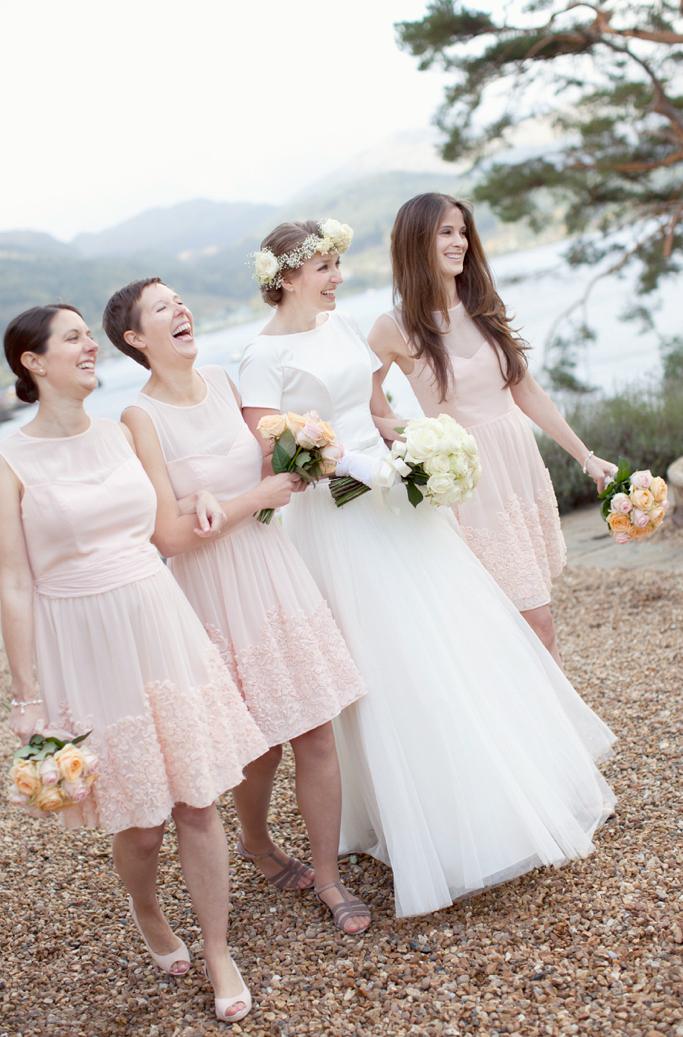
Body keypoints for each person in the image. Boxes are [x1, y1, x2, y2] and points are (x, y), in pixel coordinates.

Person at [238, 219, 616, 919]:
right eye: (324, 266)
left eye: (337, 263)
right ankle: (416, 817)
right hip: (337, 518)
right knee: (388, 657)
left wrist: (413, 447)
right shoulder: (258, 357)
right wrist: (352, 464)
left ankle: (497, 794)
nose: (336, 276)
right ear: (285, 274)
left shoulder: (344, 325)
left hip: (396, 500)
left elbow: (373, 408)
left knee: (457, 637)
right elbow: (274, 451)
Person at [0, 304, 269, 1024]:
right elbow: (14, 582)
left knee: (197, 796)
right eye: (72, 337)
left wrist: (202, 496)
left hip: (158, 619)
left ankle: (218, 949)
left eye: (86, 335)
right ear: (32, 362)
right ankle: (146, 909)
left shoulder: (122, 433)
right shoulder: (4, 462)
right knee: (139, 820)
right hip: (82, 640)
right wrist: (25, 696)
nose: (88, 347)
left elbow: (164, 525)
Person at [102, 278, 370, 934]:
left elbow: (270, 465)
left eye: (179, 300)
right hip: (209, 589)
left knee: (314, 729)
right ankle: (254, 841)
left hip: (273, 570)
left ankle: (329, 878)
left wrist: (302, 463)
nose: (181, 310)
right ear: (137, 338)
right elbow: (164, 532)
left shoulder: (226, 381)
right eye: (162, 308)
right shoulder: (138, 418)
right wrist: (253, 498)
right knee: (257, 747)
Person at [368, 193, 618, 666]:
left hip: (519, 469)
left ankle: (546, 733)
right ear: (416, 241)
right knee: (532, 625)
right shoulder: (393, 327)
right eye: (446, 231)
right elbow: (359, 396)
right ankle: (553, 735)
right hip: (471, 485)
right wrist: (407, 436)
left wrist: (585, 457)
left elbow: (525, 390)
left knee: (526, 621)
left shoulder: (481, 303)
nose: (460, 242)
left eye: (463, 231)